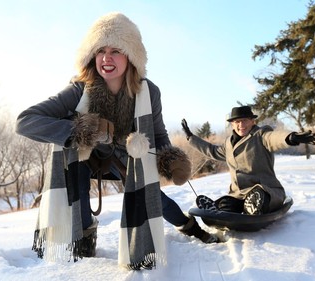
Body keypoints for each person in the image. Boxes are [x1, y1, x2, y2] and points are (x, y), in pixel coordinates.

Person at [16, 12, 218, 270]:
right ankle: (84, 239)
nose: (106, 58)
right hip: (87, 154)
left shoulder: (148, 91)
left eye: (115, 51)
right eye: (100, 50)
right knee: (74, 175)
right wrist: (83, 130)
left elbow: (158, 134)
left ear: (131, 56)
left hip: (127, 155)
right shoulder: (80, 88)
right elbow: (25, 121)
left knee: (151, 192)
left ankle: (189, 226)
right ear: (92, 56)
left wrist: (170, 159)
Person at [181, 106, 315, 215]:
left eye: (245, 120)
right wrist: (191, 138)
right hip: (239, 195)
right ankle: (220, 210)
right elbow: (212, 151)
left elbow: (273, 138)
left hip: (265, 191)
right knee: (227, 204)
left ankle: (253, 208)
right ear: (232, 124)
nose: (241, 125)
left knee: (259, 197)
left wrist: (290, 137)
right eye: (237, 122)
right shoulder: (229, 144)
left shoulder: (260, 135)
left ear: (253, 121)